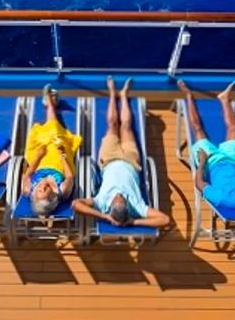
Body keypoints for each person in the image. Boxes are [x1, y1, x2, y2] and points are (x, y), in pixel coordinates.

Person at [72, 77, 169, 228]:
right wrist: (134, 221)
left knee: (112, 125)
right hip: (131, 160)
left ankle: (111, 93)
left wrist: (103, 216)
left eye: (117, 199)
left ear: (110, 207)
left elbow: (76, 204)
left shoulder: (101, 202)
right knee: (126, 127)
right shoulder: (137, 206)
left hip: (109, 158)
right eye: (122, 199)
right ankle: (123, 95)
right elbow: (165, 219)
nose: (120, 195)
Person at [178, 80, 235, 218]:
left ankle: (189, 96)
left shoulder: (222, 198)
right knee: (234, 129)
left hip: (211, 163)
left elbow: (199, 183)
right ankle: (224, 99)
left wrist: (202, 162)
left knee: (198, 130)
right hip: (234, 160)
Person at [22, 85, 81, 215]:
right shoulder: (63, 191)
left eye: (40, 192)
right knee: (55, 135)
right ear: (52, 198)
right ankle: (50, 105)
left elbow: (27, 174)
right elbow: (70, 176)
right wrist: (63, 155)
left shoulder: (28, 189)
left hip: (39, 160)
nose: (42, 188)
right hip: (60, 162)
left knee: (46, 136)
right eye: (45, 192)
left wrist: (38, 156)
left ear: (35, 197)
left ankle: (50, 104)